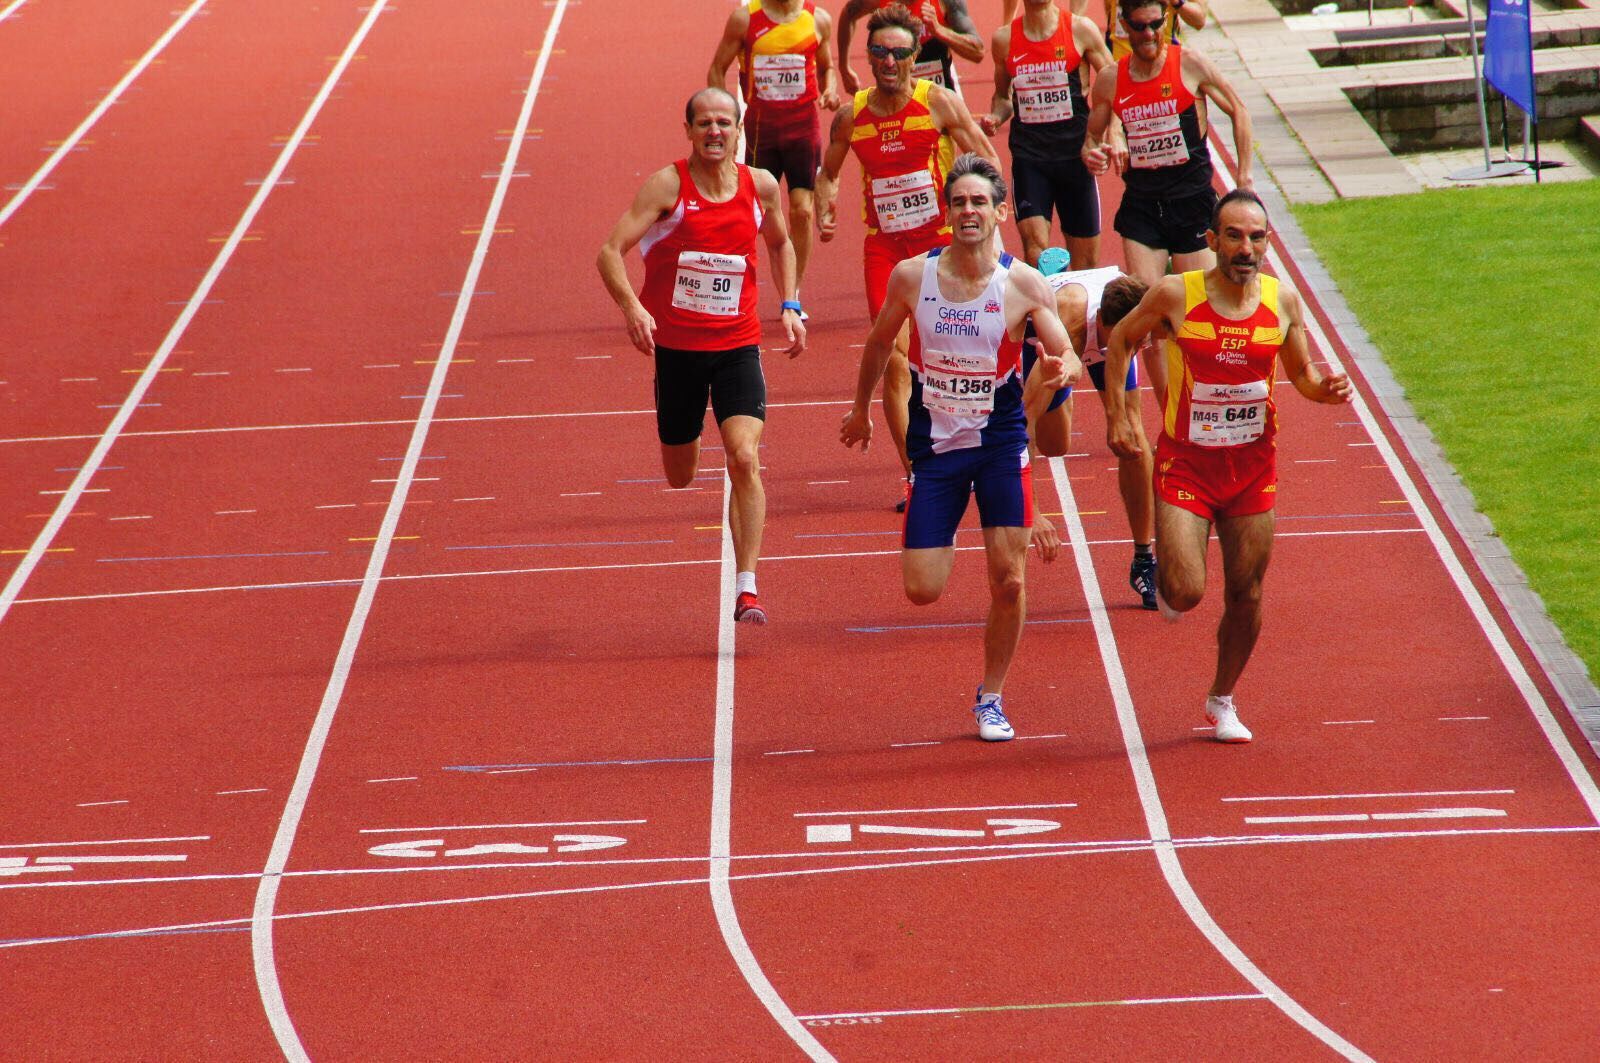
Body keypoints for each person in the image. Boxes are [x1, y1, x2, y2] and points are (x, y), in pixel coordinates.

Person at [840, 154, 1083, 742]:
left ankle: (991, 697)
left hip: (1000, 442)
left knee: (1010, 580)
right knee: (921, 589)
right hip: (938, 448)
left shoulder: (1021, 283)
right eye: (959, 202)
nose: (969, 211)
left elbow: (1065, 349)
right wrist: (860, 409)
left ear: (1001, 210)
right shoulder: (912, 276)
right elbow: (877, 345)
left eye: (980, 201)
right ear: (946, 212)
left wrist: (1061, 367)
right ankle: (949, 518)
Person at [1100, 189, 1352, 742]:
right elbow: (1120, 338)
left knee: (1248, 591)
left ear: (1268, 242)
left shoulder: (1283, 302)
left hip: (1252, 469)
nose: (1245, 247)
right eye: (1233, 236)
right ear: (1212, 241)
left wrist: (1325, 391)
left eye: (1256, 236)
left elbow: (1302, 374)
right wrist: (1119, 416)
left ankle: (1222, 699)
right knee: (1187, 591)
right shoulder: (1175, 294)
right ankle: (1167, 574)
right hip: (1187, 467)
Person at [597, 88, 807, 625]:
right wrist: (632, 309)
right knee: (681, 475)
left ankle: (748, 586)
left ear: (739, 129)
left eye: (724, 123)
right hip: (677, 351)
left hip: (737, 345)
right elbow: (608, 251)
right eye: (704, 124)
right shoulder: (668, 186)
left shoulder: (760, 186)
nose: (715, 132)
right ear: (688, 131)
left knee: (743, 456)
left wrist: (790, 303)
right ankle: (683, 440)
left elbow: (782, 243)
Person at [816, 2, 997, 511]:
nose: (889, 61)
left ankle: (976, 452)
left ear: (916, 54)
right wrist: (826, 209)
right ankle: (918, 475)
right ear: (869, 58)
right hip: (887, 252)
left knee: (957, 353)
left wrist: (988, 224)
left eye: (899, 52)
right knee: (894, 360)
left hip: (940, 245)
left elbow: (983, 155)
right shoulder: (851, 117)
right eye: (880, 52)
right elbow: (827, 173)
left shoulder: (937, 102)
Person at [1080, 0, 1252, 401]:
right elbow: (1092, 136)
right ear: (1124, 26)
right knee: (1152, 317)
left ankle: (1209, 400)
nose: (1149, 34)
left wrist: (1244, 177)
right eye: (1139, 27)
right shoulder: (1111, 80)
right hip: (1143, 208)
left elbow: (1239, 110)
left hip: (1193, 203)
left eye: (1157, 25)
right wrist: (1092, 152)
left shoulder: (1189, 64)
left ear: (1166, 21)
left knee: (1199, 315)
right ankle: (1173, 417)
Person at [1023, 257, 1158, 607]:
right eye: (1128, 343)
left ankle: (1145, 559)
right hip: (1047, 342)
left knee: (1133, 438)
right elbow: (1024, 425)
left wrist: (1118, 419)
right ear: (1101, 321)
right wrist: (1032, 512)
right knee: (1055, 445)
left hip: (1100, 340)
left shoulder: (1132, 322)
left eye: (1137, 342)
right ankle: (1064, 389)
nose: (1134, 350)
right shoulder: (1067, 323)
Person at [708, 1, 843, 303]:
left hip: (803, 130)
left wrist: (830, 89)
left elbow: (826, 67)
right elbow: (717, 70)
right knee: (752, 216)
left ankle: (792, 293)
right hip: (761, 132)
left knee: (802, 210)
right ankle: (735, 288)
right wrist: (723, 118)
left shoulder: (816, 19)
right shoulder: (745, 19)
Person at [980, 0, 1116, 271]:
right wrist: (996, 116)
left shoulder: (1080, 30)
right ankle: (1046, 310)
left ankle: (1072, 312)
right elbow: (1003, 98)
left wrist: (1106, 134)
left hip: (1076, 158)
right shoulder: (1004, 39)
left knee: (1087, 264)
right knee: (1037, 256)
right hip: (1031, 158)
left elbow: (1114, 82)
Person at [837, 0, 984, 93]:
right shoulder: (876, 2)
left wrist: (939, 31)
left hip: (938, 92)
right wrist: (844, 68)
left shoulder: (945, 2)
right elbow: (848, 15)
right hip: (894, 93)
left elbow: (977, 52)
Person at [1104, 0, 1205, 61]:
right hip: (1121, 61)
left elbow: (1199, 21)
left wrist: (1177, 2)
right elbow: (1109, 10)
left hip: (1164, 62)